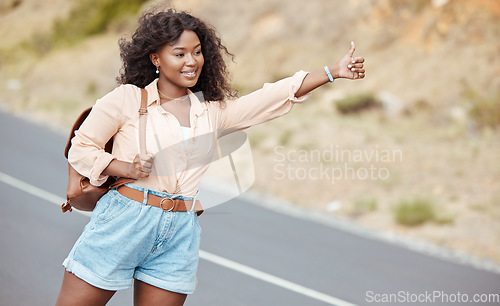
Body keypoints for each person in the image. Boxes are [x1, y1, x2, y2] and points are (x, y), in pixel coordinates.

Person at [55, 8, 365, 306]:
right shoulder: (128, 99)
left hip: (179, 230)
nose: (192, 61)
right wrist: (125, 167)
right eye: (179, 54)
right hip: (123, 220)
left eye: (197, 51)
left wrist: (331, 72)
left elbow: (269, 97)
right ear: (155, 58)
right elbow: (81, 147)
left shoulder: (211, 113)